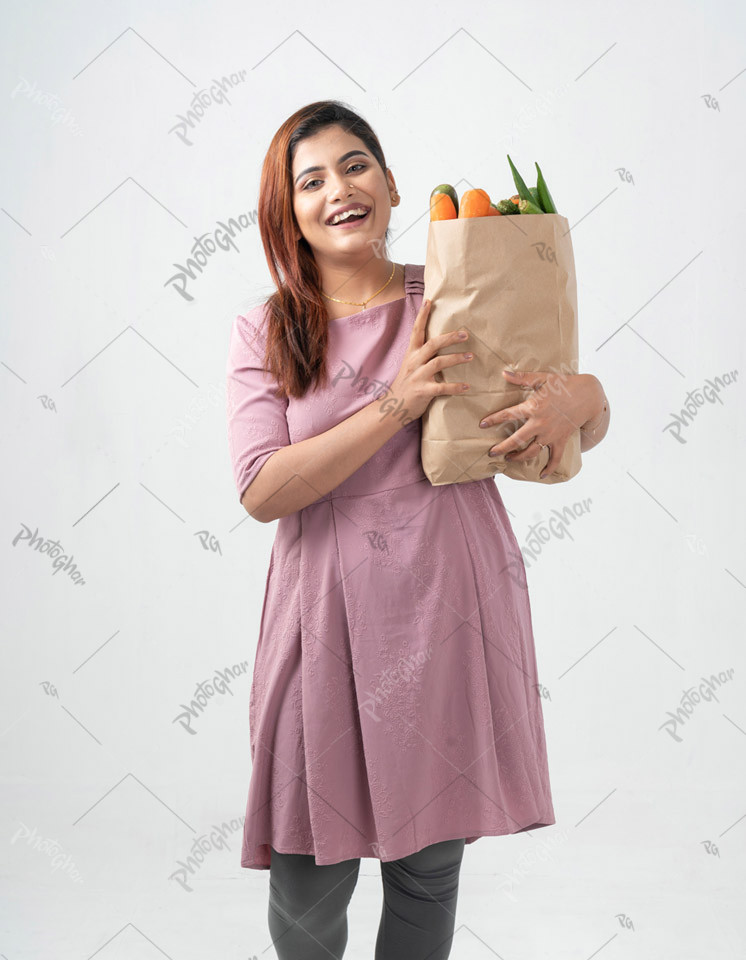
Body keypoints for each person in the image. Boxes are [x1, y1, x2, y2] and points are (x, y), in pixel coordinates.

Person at [225, 100, 610, 960]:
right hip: (321, 620)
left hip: (448, 603)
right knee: (307, 877)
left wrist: (581, 400)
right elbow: (261, 489)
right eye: (311, 180)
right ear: (287, 213)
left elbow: (574, 400)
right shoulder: (267, 328)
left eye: (356, 165)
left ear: (393, 184)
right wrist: (397, 404)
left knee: (428, 869)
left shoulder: (455, 292)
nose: (339, 190)